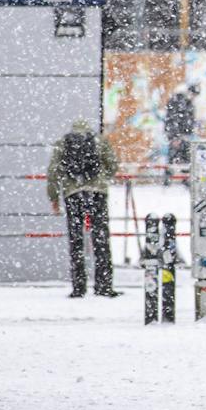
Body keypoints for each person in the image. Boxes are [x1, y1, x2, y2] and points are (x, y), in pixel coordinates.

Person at [46, 119, 119, 298]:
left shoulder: (63, 143)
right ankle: (104, 285)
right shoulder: (99, 141)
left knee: (76, 240)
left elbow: (53, 171)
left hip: (73, 194)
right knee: (101, 239)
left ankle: (79, 286)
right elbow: (113, 164)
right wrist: (102, 178)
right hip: (97, 192)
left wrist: (54, 197)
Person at [165, 83, 197, 168]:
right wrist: (174, 137)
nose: (193, 97)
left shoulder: (188, 103)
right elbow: (172, 119)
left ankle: (182, 174)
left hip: (184, 136)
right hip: (178, 136)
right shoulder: (177, 102)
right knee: (175, 160)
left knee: (184, 161)